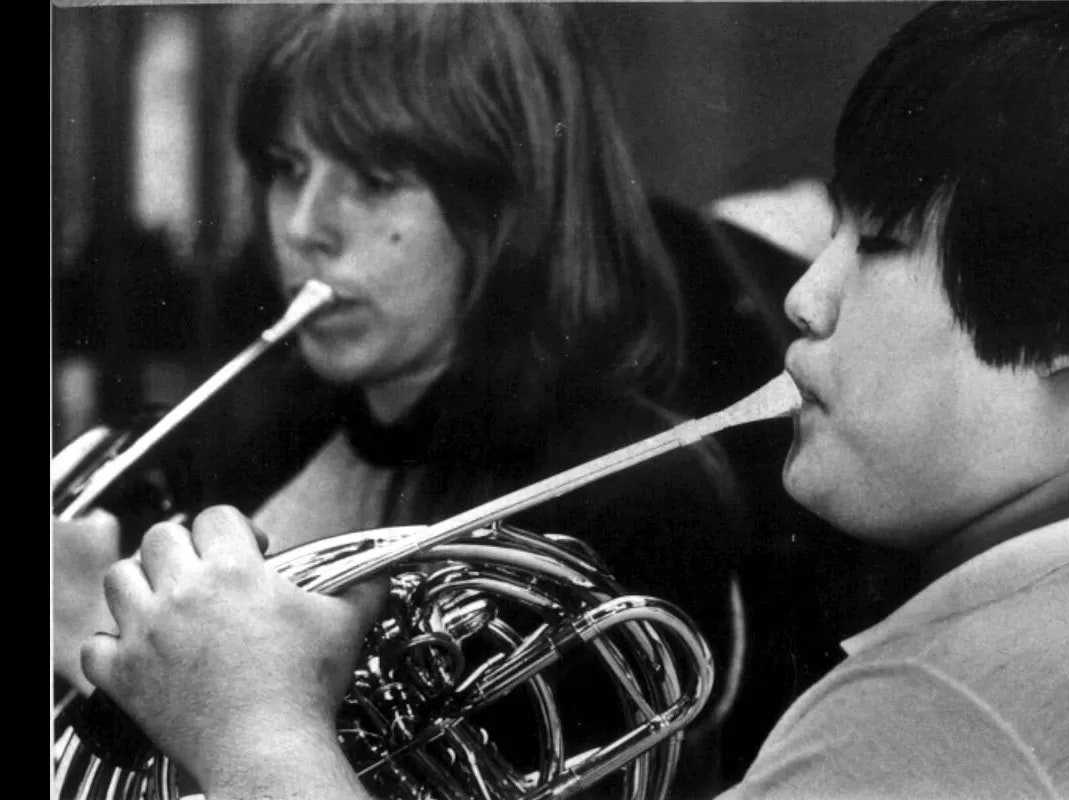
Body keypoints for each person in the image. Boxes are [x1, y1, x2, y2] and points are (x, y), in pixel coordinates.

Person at [78, 2, 1069, 798]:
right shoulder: (271, 419)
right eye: (281, 167)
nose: (802, 293)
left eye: (873, 243)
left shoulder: (930, 715)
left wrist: (252, 727)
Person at [53, 4, 765, 795]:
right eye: (289, 167)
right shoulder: (263, 427)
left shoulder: (633, 491)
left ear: (510, 201)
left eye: (377, 179)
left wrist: (102, 661)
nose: (306, 225)